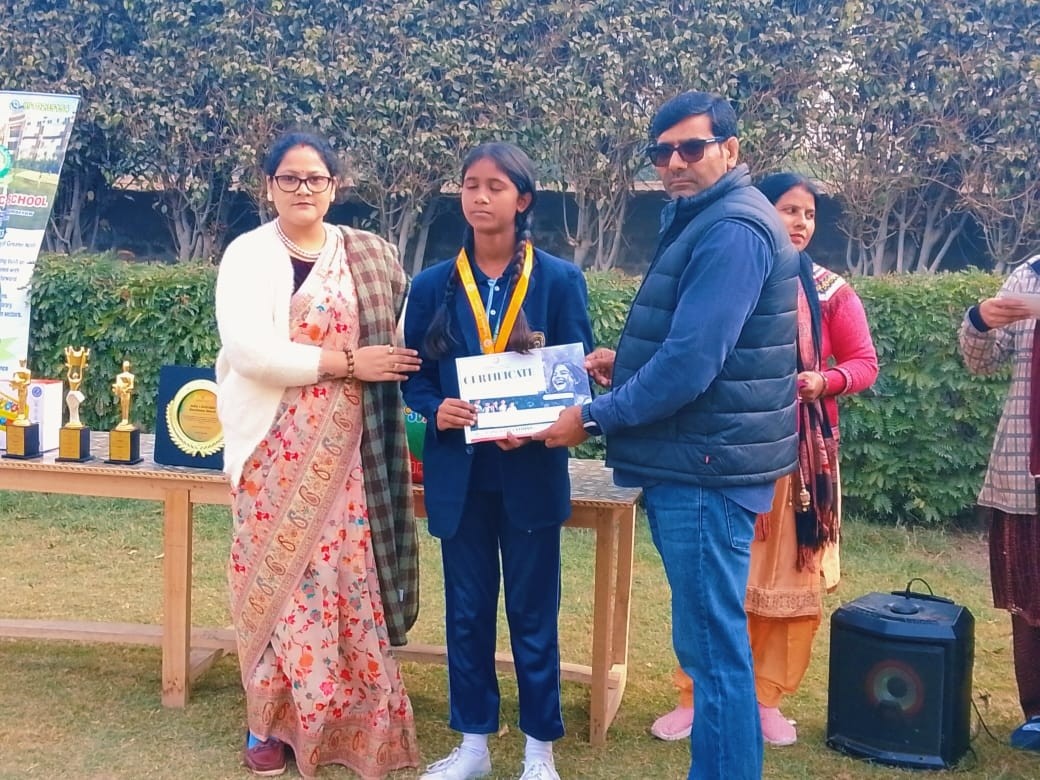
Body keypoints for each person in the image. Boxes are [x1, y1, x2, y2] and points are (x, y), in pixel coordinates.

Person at [534, 91, 799, 780]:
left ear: (731, 150)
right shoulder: (708, 219)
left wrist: (594, 416)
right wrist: (625, 366)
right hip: (703, 458)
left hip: (705, 468)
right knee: (709, 647)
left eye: (691, 147)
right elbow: (701, 347)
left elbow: (690, 363)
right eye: (661, 152)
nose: (674, 162)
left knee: (713, 652)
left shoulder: (732, 228)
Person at [215, 130, 422, 779]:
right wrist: (347, 363)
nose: (302, 188)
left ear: (335, 186)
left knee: (344, 580)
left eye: (315, 178)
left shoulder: (369, 254)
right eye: (289, 178)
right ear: (269, 186)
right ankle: (266, 724)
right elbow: (249, 352)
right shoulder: (248, 254)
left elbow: (406, 335)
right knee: (272, 581)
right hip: (269, 450)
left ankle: (350, 721)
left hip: (352, 455)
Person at [649, 173, 879, 746]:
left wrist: (823, 381)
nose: (799, 222)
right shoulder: (727, 275)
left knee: (791, 580)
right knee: (715, 581)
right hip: (730, 453)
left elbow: (864, 363)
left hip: (801, 462)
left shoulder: (831, 292)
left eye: (809, 213)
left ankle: (766, 698)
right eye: (788, 210)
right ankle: (696, 696)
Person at [403, 142, 594, 780]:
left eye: (495, 186)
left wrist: (538, 429)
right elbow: (415, 379)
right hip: (460, 477)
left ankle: (539, 751)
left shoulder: (559, 280)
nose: (480, 197)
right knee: (466, 613)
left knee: (534, 613)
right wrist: (437, 409)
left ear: (523, 199)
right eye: (470, 185)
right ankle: (473, 746)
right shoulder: (432, 283)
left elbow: (575, 378)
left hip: (529, 472)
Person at [959, 258, 1040, 753]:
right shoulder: (1029, 275)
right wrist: (980, 321)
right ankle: (1037, 712)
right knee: (1030, 596)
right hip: (1025, 466)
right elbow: (981, 361)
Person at [111, 360, 135, 430]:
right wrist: (117, 388)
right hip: (122, 393)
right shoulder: (119, 376)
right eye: (125, 366)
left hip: (127, 393)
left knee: (126, 406)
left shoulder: (131, 376)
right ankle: (123, 419)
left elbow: (132, 386)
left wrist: (126, 389)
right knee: (122, 406)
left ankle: (125, 419)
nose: (126, 368)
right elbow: (118, 385)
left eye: (127, 367)